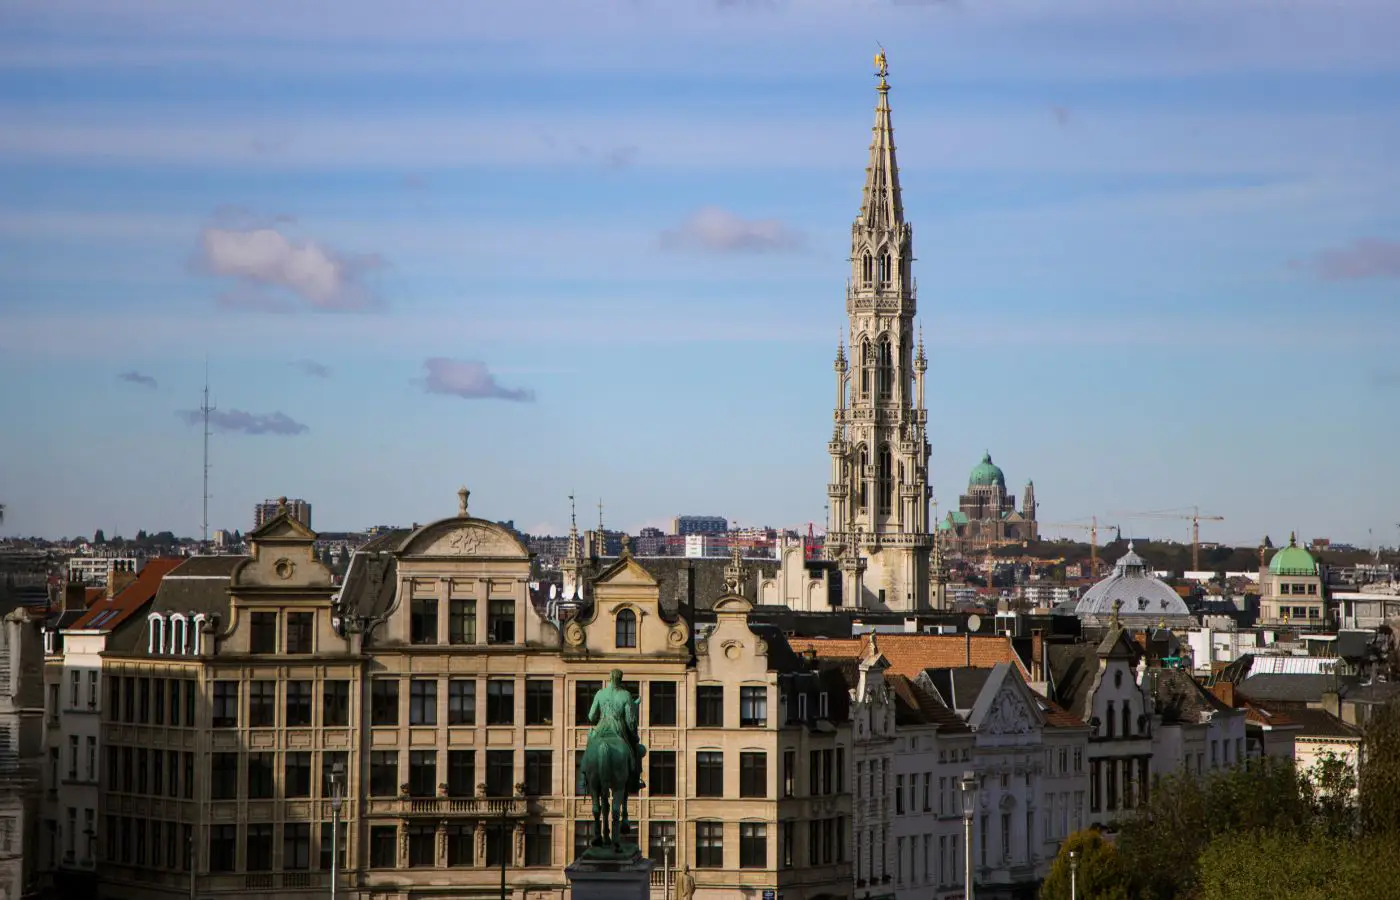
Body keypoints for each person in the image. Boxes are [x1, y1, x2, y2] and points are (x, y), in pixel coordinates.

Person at [588, 668, 646, 792]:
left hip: (601, 728)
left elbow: (591, 716)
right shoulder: (625, 694)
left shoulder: (600, 693)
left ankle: (586, 778)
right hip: (618, 728)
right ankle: (636, 780)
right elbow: (630, 720)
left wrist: (600, 717)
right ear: (621, 679)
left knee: (590, 746)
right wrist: (633, 734)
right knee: (635, 749)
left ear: (609, 677)